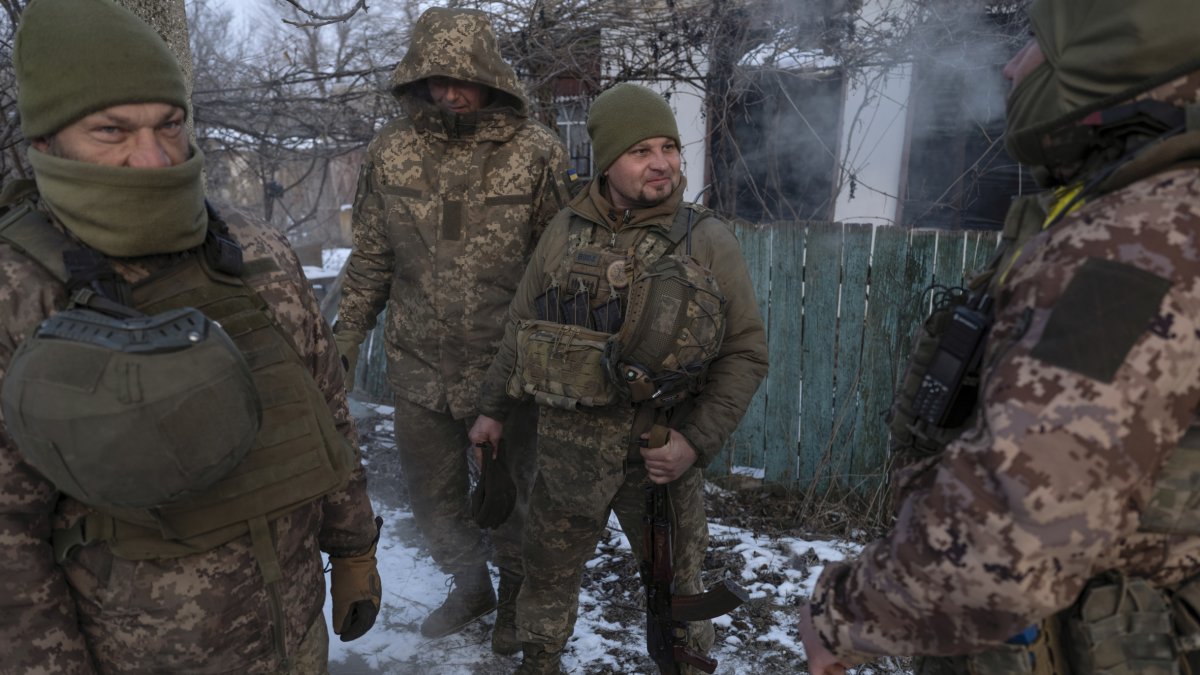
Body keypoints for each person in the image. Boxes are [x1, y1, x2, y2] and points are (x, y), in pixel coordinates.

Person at [799, 1, 1200, 673]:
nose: (1011, 68)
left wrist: (841, 614)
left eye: (1033, 45)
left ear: (1105, 54)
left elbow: (1020, 523)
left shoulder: (1136, 246)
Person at [0, 0, 381, 672]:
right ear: (45, 143)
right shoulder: (19, 290)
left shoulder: (256, 252)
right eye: (111, 130)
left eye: (169, 125)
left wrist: (353, 548)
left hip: (294, 635)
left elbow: (325, 416)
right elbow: (9, 541)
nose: (152, 159)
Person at [469, 83, 769, 674]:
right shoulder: (564, 229)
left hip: (657, 450)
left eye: (670, 147)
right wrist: (491, 410)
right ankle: (539, 660)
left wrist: (694, 442)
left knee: (677, 588)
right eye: (641, 151)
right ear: (606, 161)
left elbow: (745, 353)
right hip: (566, 448)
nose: (662, 163)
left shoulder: (704, 238)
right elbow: (521, 327)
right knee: (547, 572)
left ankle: (683, 665)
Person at [333, 6, 569, 652]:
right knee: (433, 499)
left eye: (460, 77)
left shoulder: (535, 153)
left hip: (505, 370)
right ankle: (471, 585)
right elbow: (372, 257)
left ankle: (517, 595)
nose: (447, 92)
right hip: (418, 365)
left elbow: (558, 270)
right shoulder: (393, 152)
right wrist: (346, 338)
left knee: (512, 499)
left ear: (490, 74)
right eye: (434, 78)